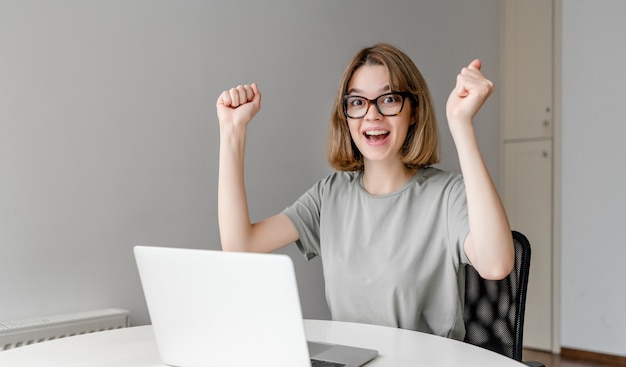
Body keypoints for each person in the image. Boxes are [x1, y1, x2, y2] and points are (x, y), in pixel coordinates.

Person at [216, 43, 514, 341]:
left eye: (388, 99)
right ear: (345, 115)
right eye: (357, 102)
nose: (372, 115)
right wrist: (232, 131)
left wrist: (461, 125)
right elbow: (240, 244)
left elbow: (495, 264)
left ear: (413, 112)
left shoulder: (447, 195)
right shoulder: (329, 195)